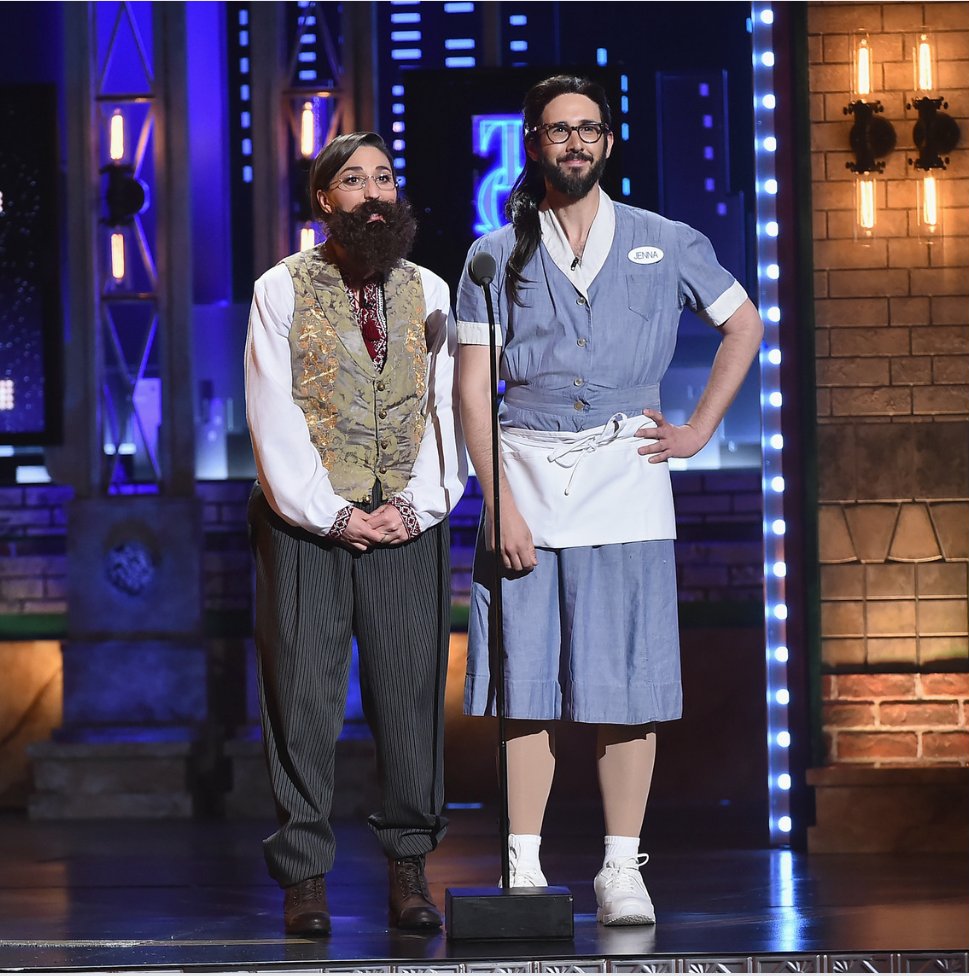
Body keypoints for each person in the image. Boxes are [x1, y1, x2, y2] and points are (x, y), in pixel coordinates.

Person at [456, 76, 763, 926]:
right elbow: (473, 390)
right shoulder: (492, 253)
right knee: (528, 680)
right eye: (560, 131)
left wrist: (699, 428)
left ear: (609, 142)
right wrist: (497, 502)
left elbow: (745, 324)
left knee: (627, 680)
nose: (576, 143)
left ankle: (621, 869)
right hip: (526, 473)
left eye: (590, 129)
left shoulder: (666, 241)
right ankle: (522, 863)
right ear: (534, 143)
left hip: (626, 474)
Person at [245, 131, 466, 936]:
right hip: (306, 526)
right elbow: (272, 417)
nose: (373, 192)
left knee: (410, 697)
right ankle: (304, 875)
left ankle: (409, 865)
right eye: (353, 180)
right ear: (324, 200)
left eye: (384, 178)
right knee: (302, 699)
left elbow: (452, 415)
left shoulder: (435, 291)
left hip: (407, 520)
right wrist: (334, 513)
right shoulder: (281, 290)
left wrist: (418, 504)